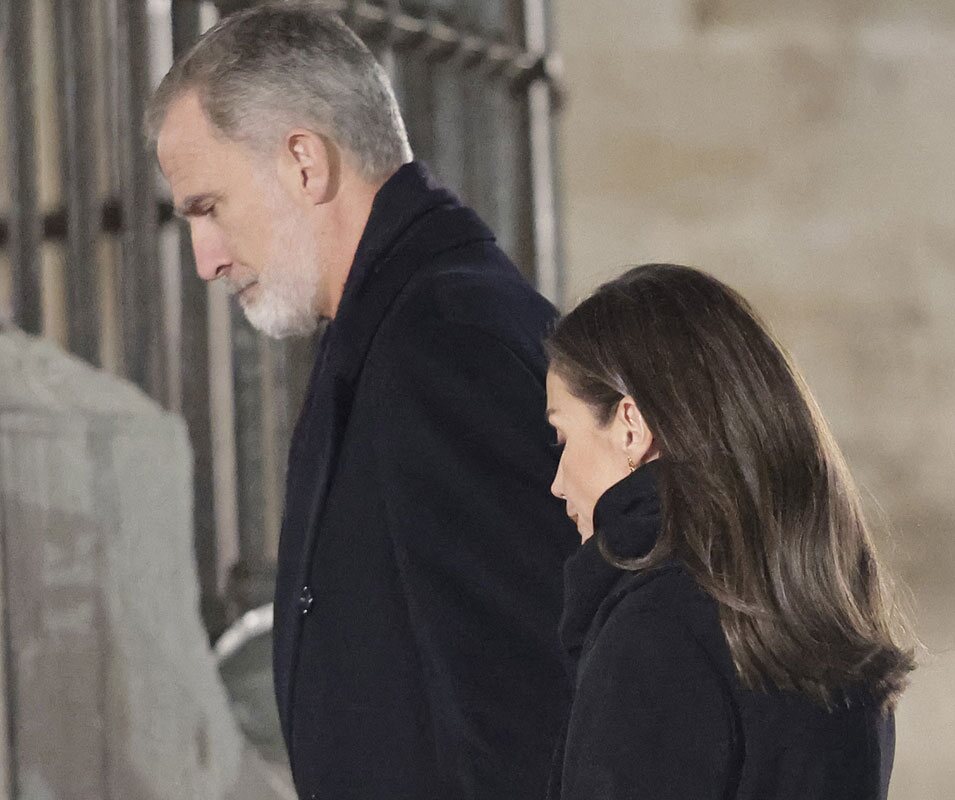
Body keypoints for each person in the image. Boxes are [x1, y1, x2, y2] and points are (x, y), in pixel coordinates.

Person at [146, 4, 578, 799]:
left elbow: (525, 708)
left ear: (304, 162)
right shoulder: (401, 328)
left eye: (208, 208)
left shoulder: (441, 341)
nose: (205, 260)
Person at [543, 263, 915, 800]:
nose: (557, 482)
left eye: (562, 435)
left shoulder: (655, 634)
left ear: (630, 426)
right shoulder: (824, 615)